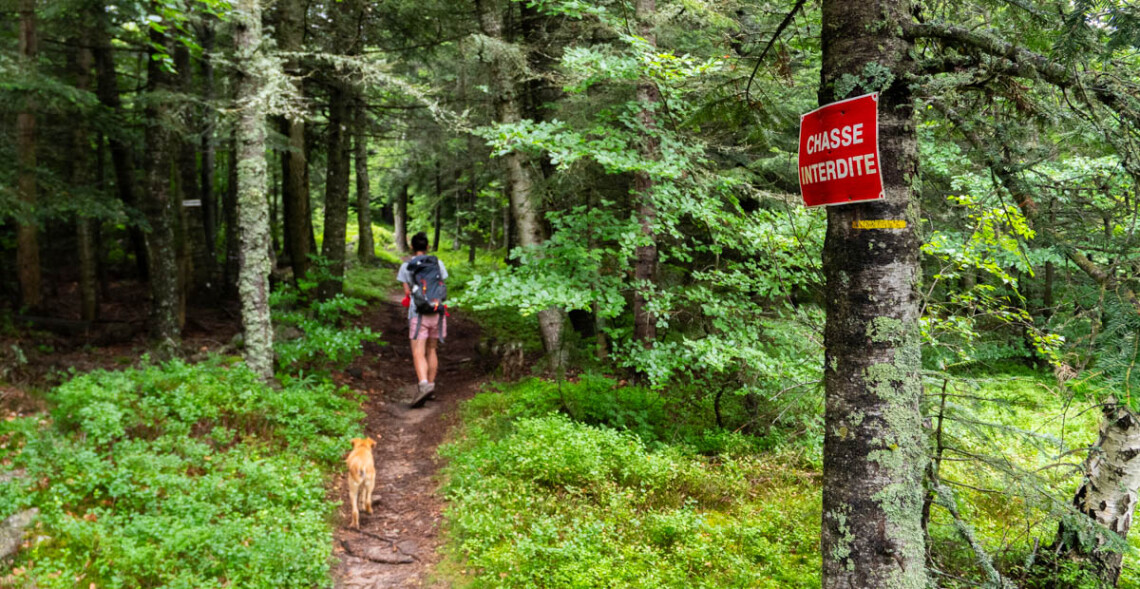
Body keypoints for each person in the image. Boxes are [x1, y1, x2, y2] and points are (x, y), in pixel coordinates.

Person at [397, 232, 448, 406]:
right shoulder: (437, 263)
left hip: (418, 314)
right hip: (437, 311)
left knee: (418, 351)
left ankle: (424, 385)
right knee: (432, 349)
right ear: (427, 247)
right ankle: (431, 386)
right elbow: (442, 284)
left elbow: (406, 292)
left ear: (411, 247)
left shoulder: (406, 266)